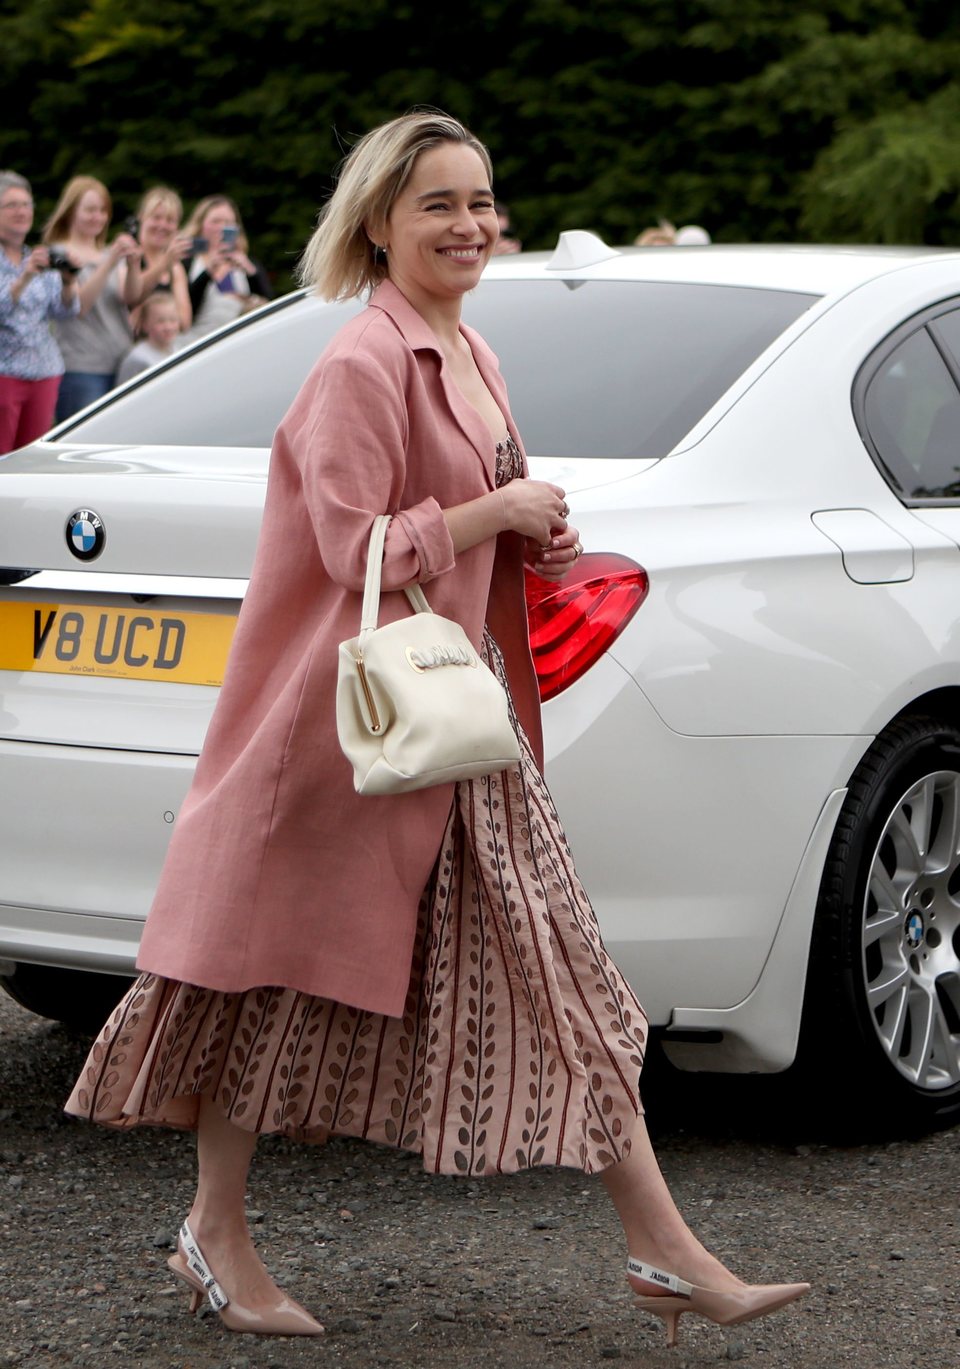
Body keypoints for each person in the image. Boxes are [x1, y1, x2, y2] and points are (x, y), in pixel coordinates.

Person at [65, 111, 809, 1347]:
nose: (470, 225)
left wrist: (532, 524)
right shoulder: (359, 363)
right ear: (377, 225)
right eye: (439, 206)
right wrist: (486, 510)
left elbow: (464, 508)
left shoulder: (473, 348)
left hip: (464, 731)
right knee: (265, 984)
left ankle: (670, 1251)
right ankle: (217, 1229)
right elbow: (349, 546)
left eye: (482, 202)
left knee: (567, 981)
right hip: (359, 734)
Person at [42, 174, 139, 420]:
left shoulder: (107, 253)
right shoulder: (57, 254)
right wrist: (109, 263)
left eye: (103, 210)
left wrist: (134, 262)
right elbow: (78, 306)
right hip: (81, 368)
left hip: (122, 364)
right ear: (71, 211)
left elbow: (131, 297)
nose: (98, 217)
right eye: (90, 210)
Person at [0, 170, 80, 453]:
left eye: (27, 204)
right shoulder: (26, 265)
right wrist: (23, 279)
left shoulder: (38, 256)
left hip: (44, 371)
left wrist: (69, 281)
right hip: (5, 374)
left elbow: (65, 311)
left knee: (31, 457)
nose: (22, 211)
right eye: (12, 205)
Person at [179, 194, 272, 341]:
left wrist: (250, 272)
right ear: (201, 225)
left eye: (228, 222)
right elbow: (185, 311)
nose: (222, 228)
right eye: (216, 221)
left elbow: (268, 304)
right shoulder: (187, 262)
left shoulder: (248, 265)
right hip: (194, 344)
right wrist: (209, 272)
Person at [123, 185, 192, 333]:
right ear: (141, 218)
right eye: (156, 218)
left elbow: (184, 322)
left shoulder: (176, 268)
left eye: (170, 220)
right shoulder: (127, 256)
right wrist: (165, 263)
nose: (162, 225)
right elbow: (131, 298)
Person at [115, 291, 181, 384]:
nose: (168, 327)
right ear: (145, 325)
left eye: (173, 320)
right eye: (160, 321)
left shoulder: (177, 350)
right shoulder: (137, 358)